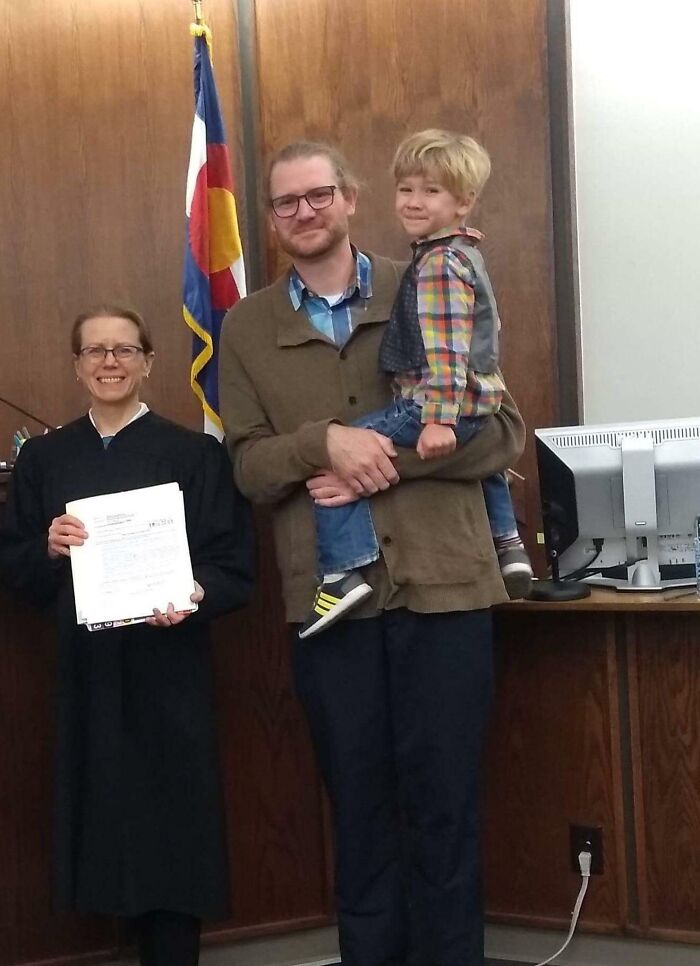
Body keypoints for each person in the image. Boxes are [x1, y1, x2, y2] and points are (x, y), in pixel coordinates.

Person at [219, 140, 526, 966]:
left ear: (352, 198)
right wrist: (327, 443)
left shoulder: (429, 275)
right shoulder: (245, 325)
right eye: (286, 202)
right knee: (357, 806)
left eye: (319, 194)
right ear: (274, 219)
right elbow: (246, 465)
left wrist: (375, 465)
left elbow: (501, 430)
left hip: (446, 589)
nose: (304, 212)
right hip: (330, 602)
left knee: (445, 806)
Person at [0, 305, 255, 966]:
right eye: (94, 351)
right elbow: (15, 570)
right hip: (85, 674)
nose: (109, 362)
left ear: (148, 361)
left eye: (123, 350)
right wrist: (48, 549)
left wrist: (194, 593)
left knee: (174, 832)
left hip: (170, 672)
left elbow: (234, 569)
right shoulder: (46, 460)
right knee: (104, 824)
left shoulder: (195, 454)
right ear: (77, 366)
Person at [299, 129, 533, 638]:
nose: (413, 201)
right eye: (406, 189)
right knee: (480, 455)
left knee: (345, 448)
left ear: (464, 201)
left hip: (432, 403)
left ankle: (342, 572)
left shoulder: (437, 266)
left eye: (431, 191)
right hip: (476, 401)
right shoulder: (460, 253)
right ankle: (508, 541)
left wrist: (438, 419)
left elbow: (446, 351)